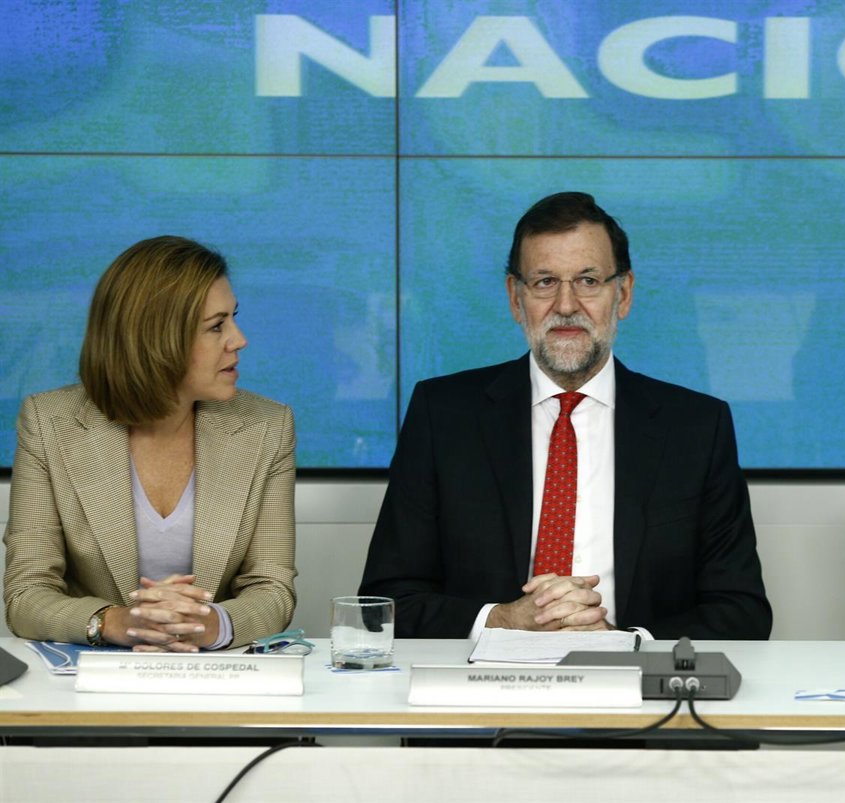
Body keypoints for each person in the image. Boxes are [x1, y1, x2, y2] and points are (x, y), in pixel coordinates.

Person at [360, 191, 771, 640]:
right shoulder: (442, 415)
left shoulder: (697, 427)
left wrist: (625, 643)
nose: (567, 305)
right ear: (515, 298)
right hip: (483, 677)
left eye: (588, 280)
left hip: (633, 679)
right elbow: (386, 599)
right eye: (545, 282)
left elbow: (742, 611)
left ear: (623, 294)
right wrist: (502, 620)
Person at [4, 236, 297, 651]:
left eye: (233, 318)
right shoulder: (49, 423)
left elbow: (272, 588)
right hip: (92, 671)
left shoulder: (267, 426)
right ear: (157, 338)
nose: (239, 339)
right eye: (216, 326)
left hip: (216, 672)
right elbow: (26, 594)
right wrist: (115, 622)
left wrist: (211, 624)